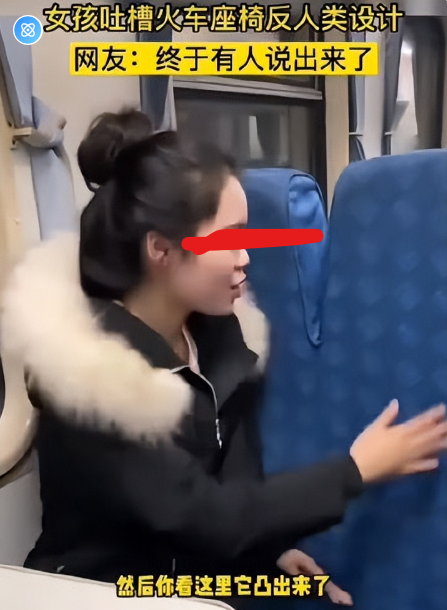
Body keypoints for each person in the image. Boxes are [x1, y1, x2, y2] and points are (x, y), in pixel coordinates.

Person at [2, 109, 446, 608]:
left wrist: (267, 556)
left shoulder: (219, 343)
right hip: (96, 591)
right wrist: (357, 470)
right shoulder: (96, 379)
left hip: (182, 584)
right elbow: (202, 515)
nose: (246, 256)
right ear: (161, 250)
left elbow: (227, 491)